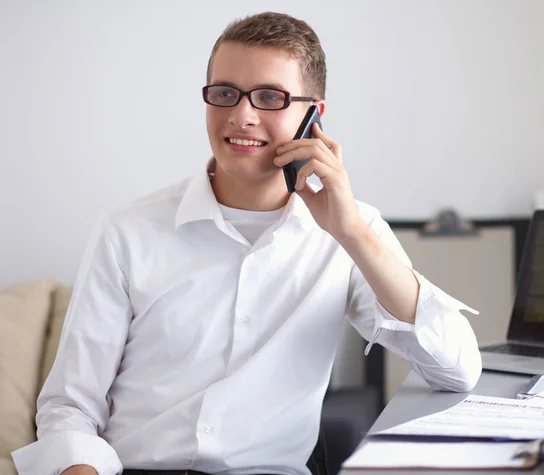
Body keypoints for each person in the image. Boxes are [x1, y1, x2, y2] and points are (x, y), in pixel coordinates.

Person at [12, 11, 482, 475]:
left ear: (312, 116)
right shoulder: (127, 231)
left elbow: (455, 369)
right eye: (225, 94)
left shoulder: (352, 232)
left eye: (269, 97)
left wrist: (352, 233)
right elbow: (69, 405)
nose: (241, 116)